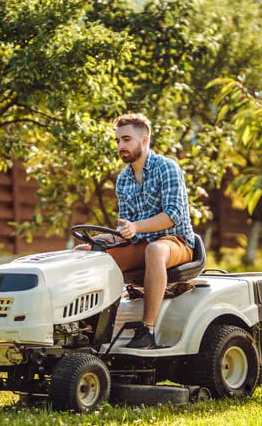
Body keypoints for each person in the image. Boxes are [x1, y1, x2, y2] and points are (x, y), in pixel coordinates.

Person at [80, 113, 195, 349]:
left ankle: (147, 332)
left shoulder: (167, 168)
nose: (121, 146)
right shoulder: (123, 179)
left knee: (154, 250)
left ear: (145, 140)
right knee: (86, 252)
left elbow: (172, 216)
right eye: (118, 141)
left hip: (176, 241)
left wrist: (137, 227)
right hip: (141, 243)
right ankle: (87, 330)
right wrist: (105, 238)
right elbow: (126, 228)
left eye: (126, 139)